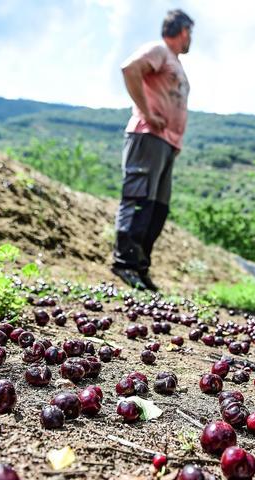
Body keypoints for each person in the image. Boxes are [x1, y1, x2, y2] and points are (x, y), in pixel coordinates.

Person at [111, 9, 193, 291]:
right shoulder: (158, 50)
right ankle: (125, 263)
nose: (190, 38)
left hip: (166, 144)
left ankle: (140, 265)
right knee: (139, 199)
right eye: (189, 33)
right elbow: (130, 69)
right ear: (182, 31)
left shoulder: (175, 62)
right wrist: (147, 113)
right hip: (148, 137)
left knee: (157, 208)